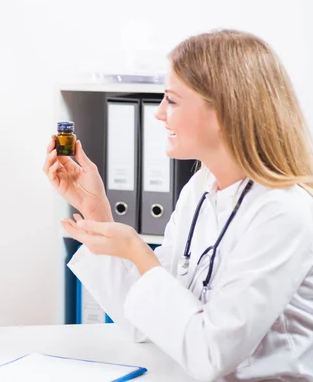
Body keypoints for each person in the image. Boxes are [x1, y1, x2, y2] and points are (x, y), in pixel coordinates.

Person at [44, 30, 313, 380]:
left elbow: (212, 355)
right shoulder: (200, 191)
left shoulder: (283, 213)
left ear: (224, 112)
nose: (158, 114)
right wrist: (98, 215)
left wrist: (139, 252)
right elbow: (146, 325)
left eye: (171, 100)